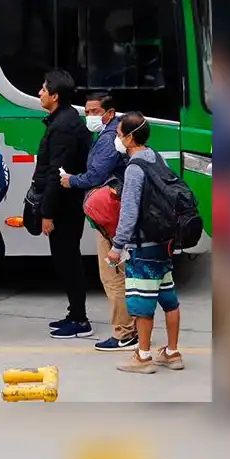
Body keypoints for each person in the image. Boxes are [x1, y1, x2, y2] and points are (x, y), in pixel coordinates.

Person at [104, 112, 184, 374]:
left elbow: (129, 214)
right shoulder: (155, 157)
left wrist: (116, 248)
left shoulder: (135, 168)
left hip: (144, 244)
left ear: (129, 138)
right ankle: (172, 353)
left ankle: (143, 357)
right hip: (163, 241)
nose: (117, 138)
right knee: (169, 299)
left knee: (142, 304)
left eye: (118, 134)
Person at [60, 92, 136, 351]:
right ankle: (132, 328)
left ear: (110, 112)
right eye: (88, 111)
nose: (90, 116)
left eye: (95, 111)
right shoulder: (116, 134)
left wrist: (72, 181)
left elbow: (95, 175)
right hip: (117, 213)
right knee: (123, 274)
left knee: (113, 276)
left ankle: (124, 333)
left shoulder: (109, 139)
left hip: (110, 215)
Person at [33, 70, 93, 339]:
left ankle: (80, 321)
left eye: (44, 89)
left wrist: (47, 213)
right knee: (65, 259)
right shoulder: (62, 120)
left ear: (55, 96)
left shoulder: (64, 127)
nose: (40, 93)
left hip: (65, 208)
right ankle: (74, 313)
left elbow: (57, 174)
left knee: (68, 260)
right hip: (65, 204)